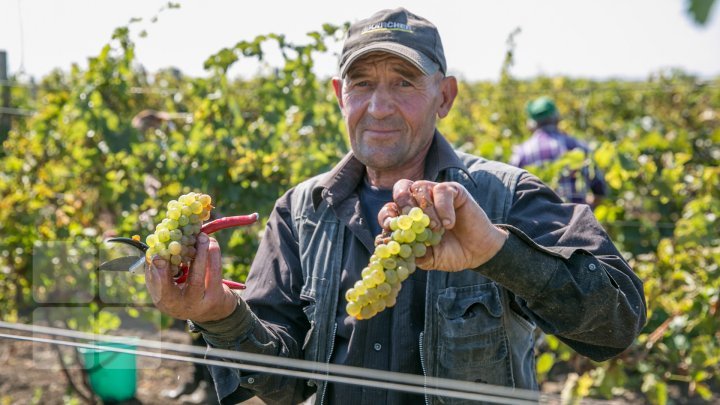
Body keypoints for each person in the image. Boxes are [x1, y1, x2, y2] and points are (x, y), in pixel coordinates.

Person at [145, 8, 646, 405]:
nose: (379, 107)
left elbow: (616, 325)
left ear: (444, 97)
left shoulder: (505, 195)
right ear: (341, 95)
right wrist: (220, 315)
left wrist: (496, 251)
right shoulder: (300, 212)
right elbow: (285, 385)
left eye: (404, 82)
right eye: (362, 84)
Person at [510, 96, 607, 207]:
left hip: (535, 222)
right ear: (557, 118)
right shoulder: (579, 147)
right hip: (577, 220)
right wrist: (584, 210)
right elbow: (600, 190)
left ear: (532, 123)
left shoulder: (521, 152)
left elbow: (510, 192)